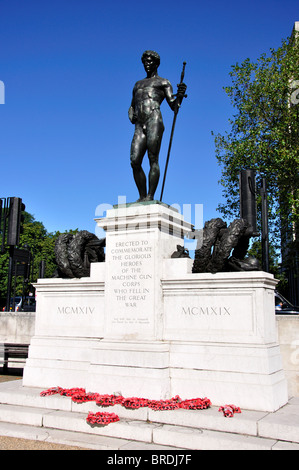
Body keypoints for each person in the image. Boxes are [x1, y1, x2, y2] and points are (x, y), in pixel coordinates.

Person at [129, 50, 187, 201]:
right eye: (144, 62)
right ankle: (141, 196)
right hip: (139, 124)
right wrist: (131, 114)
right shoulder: (137, 85)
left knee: (152, 158)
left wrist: (180, 95)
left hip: (154, 119)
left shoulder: (163, 82)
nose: (146, 65)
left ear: (156, 63)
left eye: (149, 61)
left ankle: (150, 196)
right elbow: (131, 106)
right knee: (135, 161)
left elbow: (174, 106)